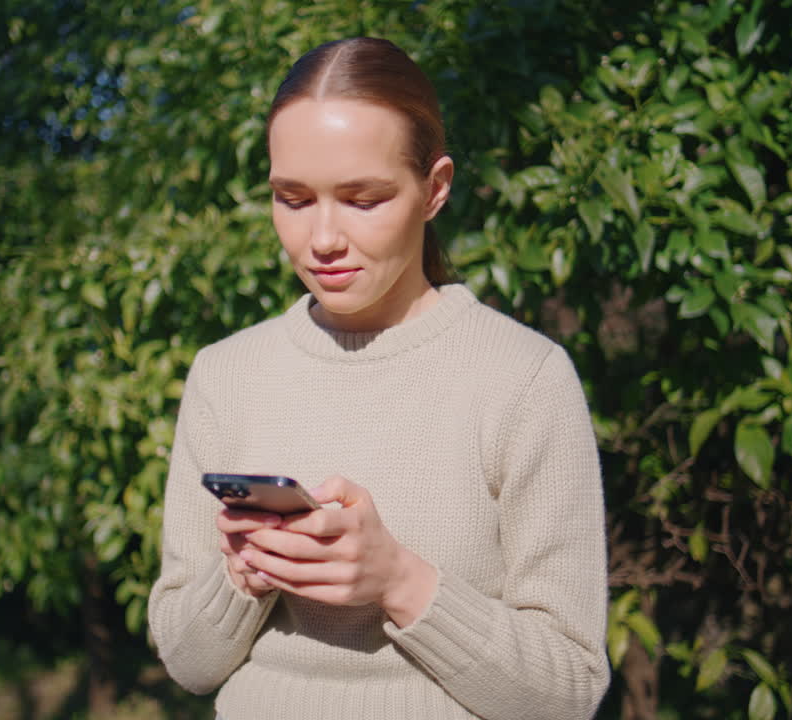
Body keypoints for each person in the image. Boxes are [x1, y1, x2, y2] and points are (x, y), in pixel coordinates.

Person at [147, 37, 609, 720]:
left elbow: (568, 691)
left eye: (363, 198)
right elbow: (188, 663)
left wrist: (400, 581)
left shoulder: (524, 379)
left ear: (436, 188)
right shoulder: (226, 376)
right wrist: (244, 578)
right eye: (293, 198)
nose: (323, 238)